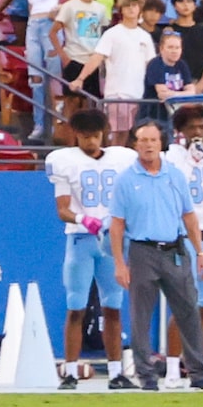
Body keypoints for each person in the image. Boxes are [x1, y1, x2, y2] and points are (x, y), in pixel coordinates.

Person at [110, 120, 203, 389]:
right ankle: (146, 376)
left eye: (153, 140)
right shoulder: (126, 179)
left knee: (189, 310)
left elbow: (189, 216)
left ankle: (198, 374)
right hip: (142, 250)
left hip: (175, 249)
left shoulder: (175, 175)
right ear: (135, 144)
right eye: (143, 140)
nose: (148, 145)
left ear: (161, 143)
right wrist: (120, 263)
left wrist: (200, 251)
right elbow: (117, 225)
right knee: (141, 315)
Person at [49, 109, 137, 386]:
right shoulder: (64, 161)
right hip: (81, 238)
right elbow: (62, 209)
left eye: (96, 136)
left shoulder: (122, 159)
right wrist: (83, 218)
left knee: (113, 307)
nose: (91, 142)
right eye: (86, 137)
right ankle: (71, 372)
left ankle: (115, 372)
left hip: (111, 240)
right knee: (76, 306)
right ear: (76, 135)